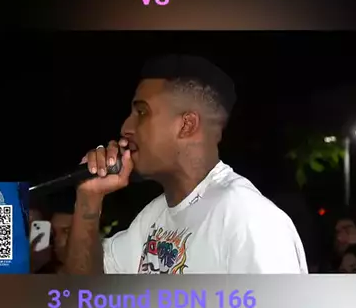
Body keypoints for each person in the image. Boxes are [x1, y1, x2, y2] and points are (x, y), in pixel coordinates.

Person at [63, 54, 308, 274]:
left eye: (142, 112)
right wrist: (89, 198)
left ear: (186, 125)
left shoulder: (249, 220)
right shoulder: (151, 219)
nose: (126, 127)